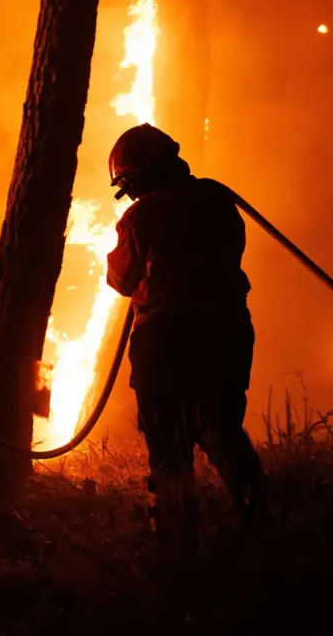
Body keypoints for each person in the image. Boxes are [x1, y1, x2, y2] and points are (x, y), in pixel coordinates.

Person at [104, 123, 267, 544]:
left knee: (168, 445)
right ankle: (260, 523)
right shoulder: (217, 199)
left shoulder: (141, 216)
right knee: (222, 427)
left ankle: (177, 545)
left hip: (166, 339)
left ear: (136, 178)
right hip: (227, 329)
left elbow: (121, 278)